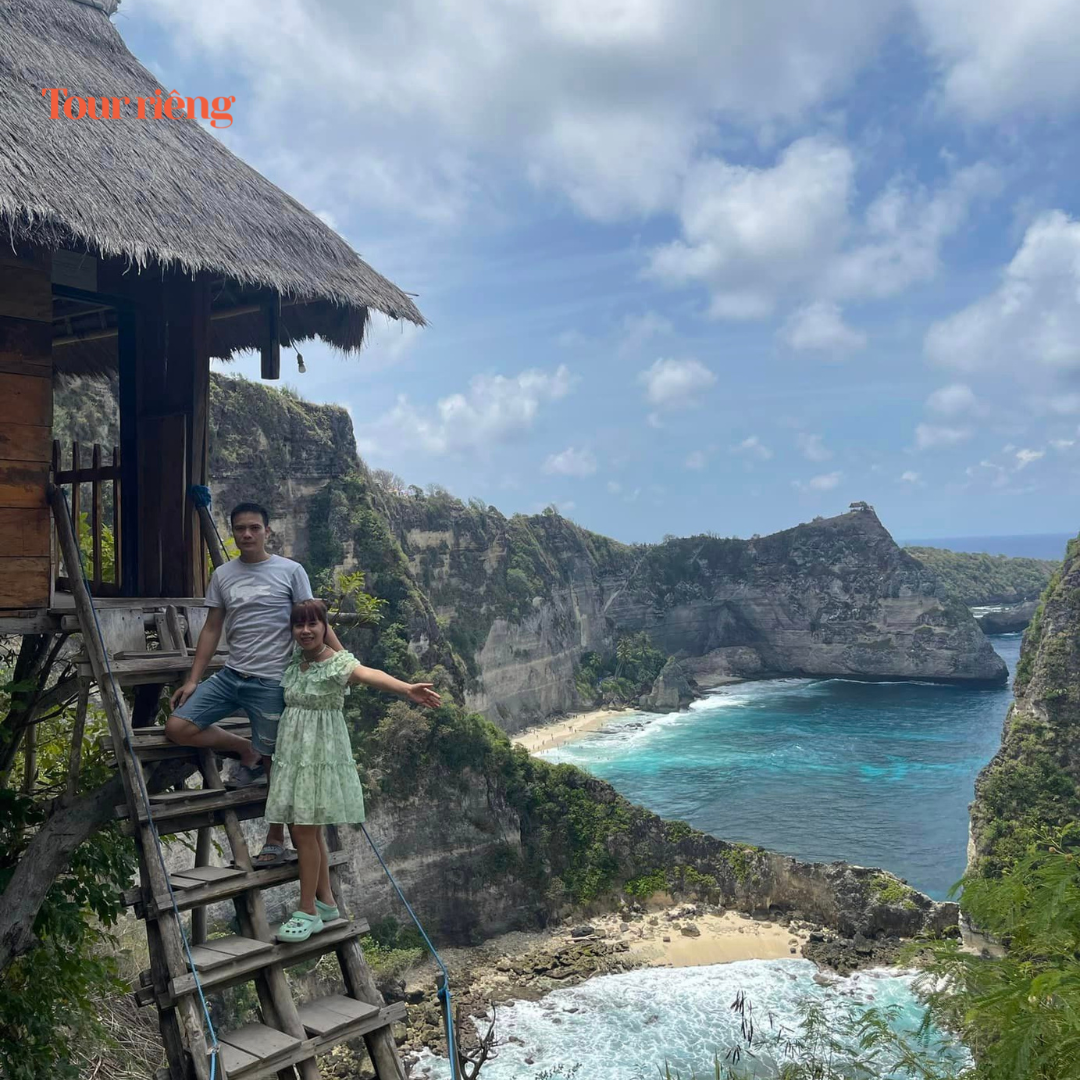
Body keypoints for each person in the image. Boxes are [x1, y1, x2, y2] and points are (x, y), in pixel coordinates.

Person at [164, 502, 343, 867]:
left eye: (254, 528)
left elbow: (315, 621)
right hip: (232, 675)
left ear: (267, 531)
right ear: (232, 532)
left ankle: (275, 840)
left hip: (272, 681)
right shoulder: (223, 575)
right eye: (240, 528)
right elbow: (212, 627)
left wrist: (342, 661)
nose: (247, 534)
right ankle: (246, 750)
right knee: (177, 727)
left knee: (276, 764)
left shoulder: (291, 571)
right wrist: (194, 679)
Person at [269, 599, 441, 942]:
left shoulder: (336, 663)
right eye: (299, 625)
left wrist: (406, 688)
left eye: (313, 624)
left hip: (319, 758)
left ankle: (307, 911)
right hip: (294, 756)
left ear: (325, 627)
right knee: (310, 830)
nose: (305, 631)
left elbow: (367, 674)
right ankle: (327, 904)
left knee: (302, 831)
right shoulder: (295, 661)